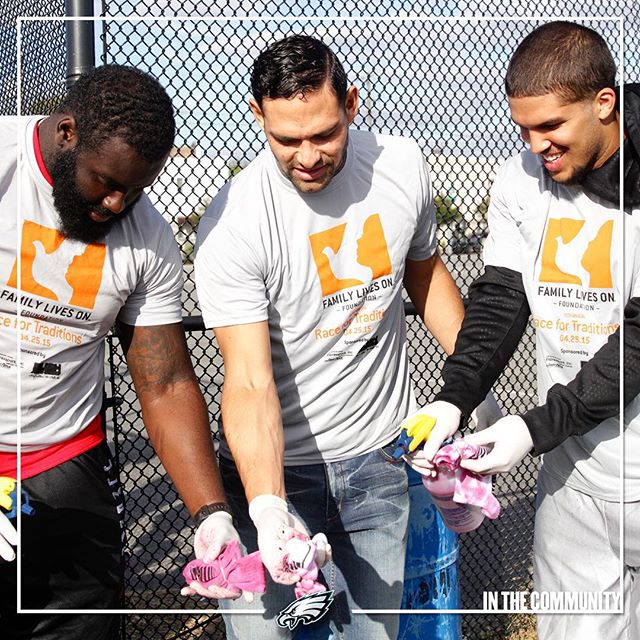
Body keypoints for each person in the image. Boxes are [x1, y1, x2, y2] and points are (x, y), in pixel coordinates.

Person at [194, 34, 499, 640]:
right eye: (286, 139)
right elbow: (250, 380)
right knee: (273, 634)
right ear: (257, 116)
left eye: (324, 134)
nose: (307, 154)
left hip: (377, 457)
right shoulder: (234, 220)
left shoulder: (402, 166)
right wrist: (269, 509)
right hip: (280, 468)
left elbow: (427, 276)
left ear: (352, 105)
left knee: (371, 633)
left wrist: (478, 395)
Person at [407, 22, 640, 638]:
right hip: (576, 471)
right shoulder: (521, 178)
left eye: (552, 128)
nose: (538, 146)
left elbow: (639, 343)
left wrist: (530, 429)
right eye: (524, 129)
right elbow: (501, 299)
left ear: (604, 103)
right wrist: (454, 398)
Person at [0, 64, 240, 639]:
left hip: (63, 461)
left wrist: (213, 515)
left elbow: (165, 383)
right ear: (66, 133)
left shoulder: (150, 236)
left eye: (136, 187)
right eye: (105, 180)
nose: (116, 202)